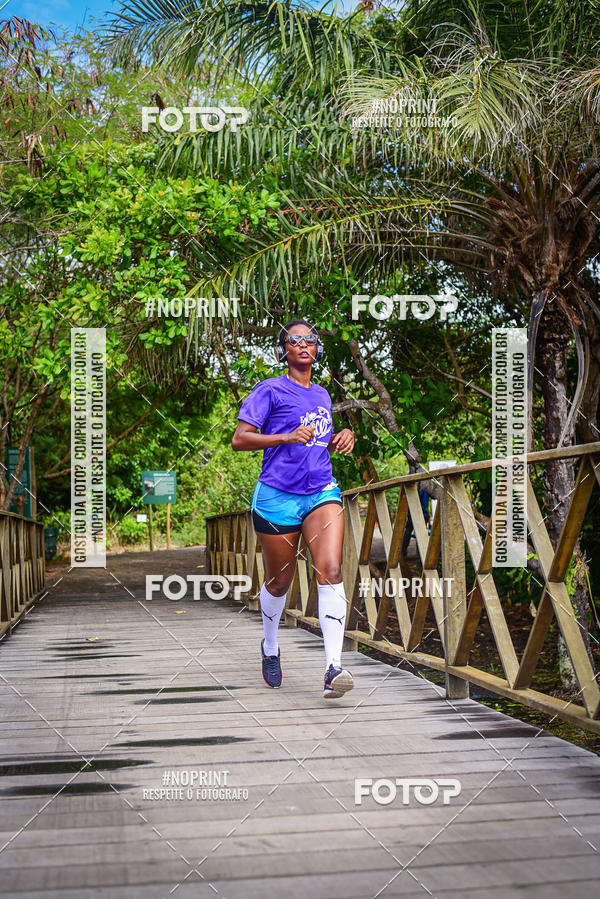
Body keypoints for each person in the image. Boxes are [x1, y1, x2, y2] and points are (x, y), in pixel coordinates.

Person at [231, 319, 356, 698]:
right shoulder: (269, 390)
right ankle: (270, 645)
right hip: (277, 496)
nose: (303, 344)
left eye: (310, 340)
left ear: (317, 348)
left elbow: (316, 442)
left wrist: (339, 439)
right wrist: (285, 436)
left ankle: (333, 668)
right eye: (294, 340)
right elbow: (240, 440)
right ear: (283, 349)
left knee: (331, 569)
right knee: (279, 581)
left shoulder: (321, 394)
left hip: (320, 491)